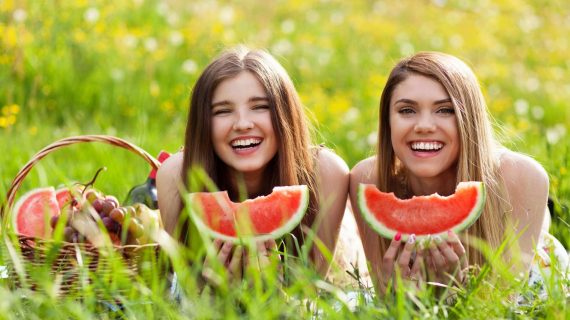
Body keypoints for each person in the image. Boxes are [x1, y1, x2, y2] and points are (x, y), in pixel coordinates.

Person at [349, 51, 557, 295]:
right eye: (407, 110)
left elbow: (505, 304)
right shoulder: (368, 180)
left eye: (445, 110)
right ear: (388, 121)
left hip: (529, 273)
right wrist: (403, 301)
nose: (424, 126)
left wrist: (459, 296)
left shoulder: (520, 176)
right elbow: (385, 298)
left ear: (470, 119)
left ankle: (544, 215)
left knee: (539, 230)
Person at [156, 46, 349, 281]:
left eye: (259, 107)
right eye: (223, 111)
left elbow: (313, 295)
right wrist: (209, 296)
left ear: (285, 114)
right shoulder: (176, 175)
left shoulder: (325, 172)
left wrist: (276, 297)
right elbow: (179, 290)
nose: (242, 123)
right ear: (203, 124)